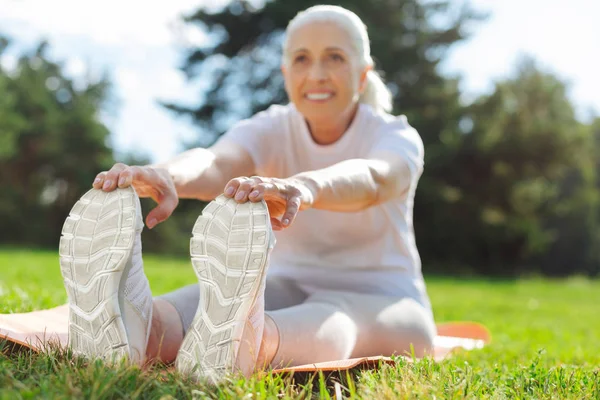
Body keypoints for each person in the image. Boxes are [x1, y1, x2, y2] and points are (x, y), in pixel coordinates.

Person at [58, 5, 437, 383]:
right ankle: (147, 326)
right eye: (302, 59)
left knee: (337, 313)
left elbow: (373, 179)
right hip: (285, 282)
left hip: (385, 297)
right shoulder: (272, 126)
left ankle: (251, 341)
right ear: (286, 74)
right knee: (219, 299)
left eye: (335, 58)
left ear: (362, 74)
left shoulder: (395, 136)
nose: (317, 75)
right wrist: (167, 174)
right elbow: (218, 162)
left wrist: (303, 187)